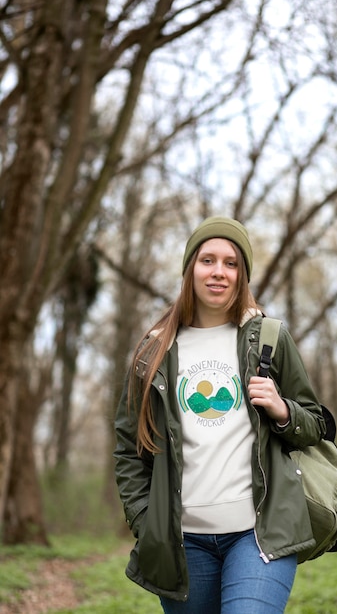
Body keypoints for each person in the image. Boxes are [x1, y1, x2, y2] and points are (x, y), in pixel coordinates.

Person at [114, 216, 326, 614]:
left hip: (259, 534)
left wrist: (282, 410)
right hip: (182, 543)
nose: (219, 272)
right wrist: (148, 523)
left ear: (242, 274)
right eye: (208, 260)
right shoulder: (153, 353)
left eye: (231, 263)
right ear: (190, 269)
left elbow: (315, 424)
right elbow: (129, 450)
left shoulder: (269, 338)